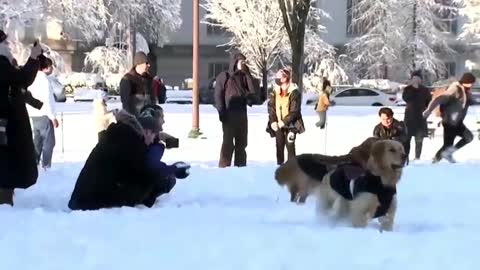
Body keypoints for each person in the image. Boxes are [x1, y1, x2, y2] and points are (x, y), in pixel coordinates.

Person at [68, 105, 190, 211]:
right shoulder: (132, 142)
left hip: (84, 197)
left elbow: (171, 142)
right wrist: (173, 171)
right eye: (162, 118)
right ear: (147, 131)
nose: (164, 122)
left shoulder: (124, 133)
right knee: (153, 181)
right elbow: (146, 167)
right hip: (91, 200)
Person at [0, 30, 43, 205]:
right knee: (6, 164)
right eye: (4, 42)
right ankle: (5, 203)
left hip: (6, 122)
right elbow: (21, 79)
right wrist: (33, 58)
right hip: (6, 124)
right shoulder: (1, 64)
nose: (8, 45)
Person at [214, 52, 258, 168]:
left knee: (242, 143)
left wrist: (247, 74)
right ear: (235, 62)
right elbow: (218, 95)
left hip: (242, 114)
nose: (243, 64)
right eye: (240, 61)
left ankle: (241, 166)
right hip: (229, 114)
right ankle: (224, 166)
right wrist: (221, 112)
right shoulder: (224, 76)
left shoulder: (245, 76)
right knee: (228, 143)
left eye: (244, 62)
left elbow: (253, 94)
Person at [423, 72, 475, 163]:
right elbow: (439, 99)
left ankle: (446, 155)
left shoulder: (465, 91)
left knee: (468, 137)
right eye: (470, 83)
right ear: (465, 82)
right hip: (449, 122)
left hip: (457, 122)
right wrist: (429, 110)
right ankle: (435, 160)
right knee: (447, 145)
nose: (471, 85)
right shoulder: (455, 89)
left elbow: (470, 101)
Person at [266, 68, 305, 165]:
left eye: (279, 77)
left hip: (291, 125)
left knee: (290, 146)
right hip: (278, 124)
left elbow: (294, 111)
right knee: (279, 147)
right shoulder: (275, 91)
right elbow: (271, 107)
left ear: (285, 78)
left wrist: (284, 121)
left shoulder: (294, 92)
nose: (277, 79)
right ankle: (280, 167)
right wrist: (273, 121)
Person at [27, 56, 59, 170]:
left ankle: (34, 163)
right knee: (49, 142)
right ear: (46, 67)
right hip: (44, 114)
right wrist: (53, 116)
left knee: (37, 140)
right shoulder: (44, 80)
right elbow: (48, 99)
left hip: (33, 114)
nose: (51, 69)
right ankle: (46, 166)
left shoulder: (31, 78)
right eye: (50, 67)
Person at [402, 70, 432, 161]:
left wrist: (427, 110)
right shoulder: (407, 89)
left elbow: (429, 102)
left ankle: (417, 157)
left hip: (420, 118)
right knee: (407, 139)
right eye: (414, 78)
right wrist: (413, 88)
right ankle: (405, 157)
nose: (415, 80)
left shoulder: (425, 90)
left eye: (417, 78)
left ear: (420, 80)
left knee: (419, 139)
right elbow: (406, 99)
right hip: (409, 118)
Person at [119, 52, 157, 117]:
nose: (149, 65)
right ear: (139, 63)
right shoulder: (128, 79)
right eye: (146, 63)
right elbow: (125, 103)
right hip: (135, 120)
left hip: (149, 119)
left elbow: (152, 99)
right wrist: (130, 120)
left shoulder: (149, 79)